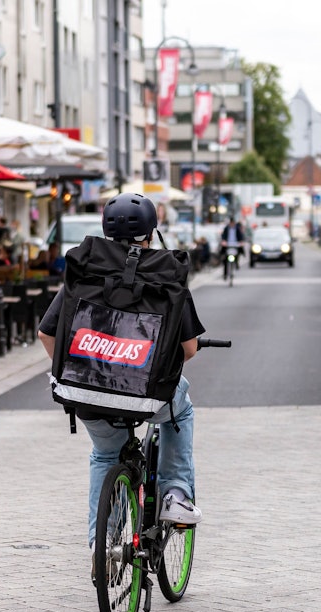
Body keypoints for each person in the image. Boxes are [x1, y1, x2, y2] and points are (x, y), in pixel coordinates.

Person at [36, 193, 206, 574]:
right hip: (147, 395)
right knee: (183, 405)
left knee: (105, 455)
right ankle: (176, 494)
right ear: (151, 233)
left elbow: (47, 334)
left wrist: (85, 366)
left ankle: (102, 548)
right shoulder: (165, 273)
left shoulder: (85, 273)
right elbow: (189, 349)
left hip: (86, 393)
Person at [220, 216, 246, 280]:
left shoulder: (237, 229)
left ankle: (237, 263)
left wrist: (241, 242)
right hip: (228, 244)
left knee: (239, 252)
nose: (232, 224)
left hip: (235, 244)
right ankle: (225, 274)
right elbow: (223, 236)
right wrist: (224, 241)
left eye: (233, 223)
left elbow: (241, 236)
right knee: (225, 259)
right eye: (231, 223)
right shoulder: (226, 228)